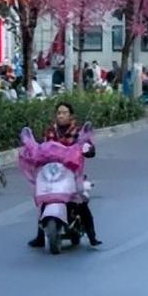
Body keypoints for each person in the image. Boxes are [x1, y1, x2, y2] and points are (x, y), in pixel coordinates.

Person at [28, 102, 102, 248]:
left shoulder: (77, 132)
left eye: (64, 112)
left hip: (72, 172)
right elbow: (43, 149)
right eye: (58, 113)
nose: (60, 115)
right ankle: (40, 237)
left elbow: (87, 146)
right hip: (53, 171)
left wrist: (88, 149)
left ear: (70, 115)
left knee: (80, 201)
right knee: (45, 199)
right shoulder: (50, 131)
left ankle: (92, 235)